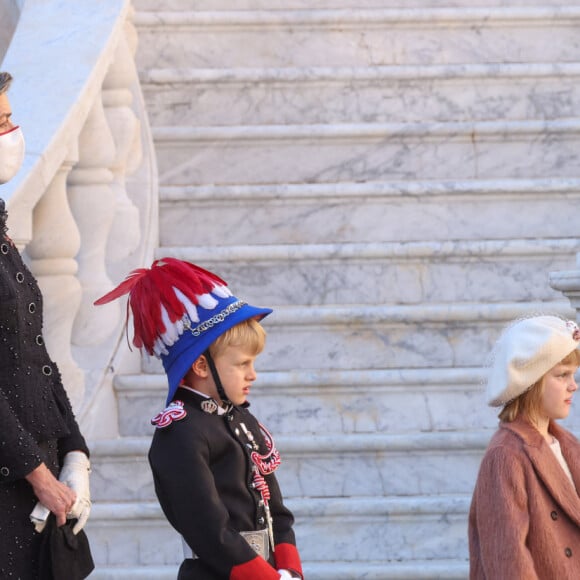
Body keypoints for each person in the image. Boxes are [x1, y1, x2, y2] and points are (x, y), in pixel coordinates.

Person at [95, 257, 304, 579]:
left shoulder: (239, 419)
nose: (253, 375)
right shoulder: (181, 432)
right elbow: (207, 526)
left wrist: (288, 568)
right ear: (201, 366)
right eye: (242, 364)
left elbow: (276, 508)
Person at [0, 71, 92, 578]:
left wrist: (75, 451)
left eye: (11, 119)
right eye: (1, 123)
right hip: (15, 481)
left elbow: (36, 354)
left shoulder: (3, 234)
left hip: (42, 473)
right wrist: (37, 474)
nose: (13, 135)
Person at [469, 314, 580, 579]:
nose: (573, 386)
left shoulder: (567, 445)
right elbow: (508, 560)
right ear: (531, 381)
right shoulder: (506, 456)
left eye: (573, 375)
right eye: (562, 375)